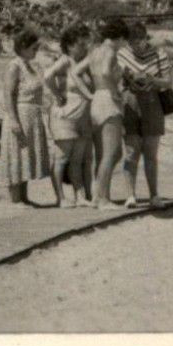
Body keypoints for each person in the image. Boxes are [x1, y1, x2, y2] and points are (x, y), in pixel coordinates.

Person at [69, 19, 128, 209]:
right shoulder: (110, 51)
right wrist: (115, 92)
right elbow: (104, 72)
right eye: (123, 41)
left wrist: (89, 94)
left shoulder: (94, 51)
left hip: (96, 101)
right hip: (109, 100)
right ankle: (102, 199)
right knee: (112, 152)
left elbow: (76, 72)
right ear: (119, 38)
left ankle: (100, 195)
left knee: (103, 153)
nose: (124, 45)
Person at [0, 27, 53, 206]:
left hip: (32, 116)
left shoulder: (30, 66)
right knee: (16, 155)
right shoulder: (14, 66)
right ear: (22, 46)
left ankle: (24, 197)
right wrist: (13, 119)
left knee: (25, 156)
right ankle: (15, 199)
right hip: (19, 114)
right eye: (33, 48)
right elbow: (8, 94)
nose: (36, 51)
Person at [116, 21, 167, 208]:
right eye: (133, 43)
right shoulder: (121, 54)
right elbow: (115, 81)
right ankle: (130, 195)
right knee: (131, 152)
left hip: (152, 104)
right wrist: (127, 78)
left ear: (146, 38)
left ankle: (154, 195)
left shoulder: (159, 54)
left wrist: (152, 80)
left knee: (151, 153)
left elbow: (168, 82)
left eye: (141, 41)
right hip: (129, 103)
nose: (137, 46)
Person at [44, 24, 94, 208]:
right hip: (65, 115)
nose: (85, 48)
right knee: (61, 157)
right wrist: (57, 93)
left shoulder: (84, 63)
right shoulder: (65, 60)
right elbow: (47, 75)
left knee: (78, 159)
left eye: (86, 44)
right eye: (81, 45)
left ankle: (80, 196)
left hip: (83, 116)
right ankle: (61, 197)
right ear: (71, 45)